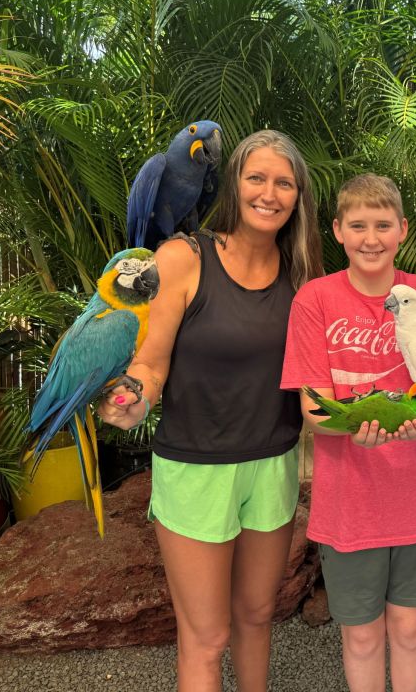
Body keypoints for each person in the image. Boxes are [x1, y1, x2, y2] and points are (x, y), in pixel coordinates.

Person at [98, 130, 323, 692]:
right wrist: (134, 397)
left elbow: (314, 384)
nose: (269, 193)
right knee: (206, 638)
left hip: (272, 465)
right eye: (256, 178)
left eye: (283, 183)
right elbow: (151, 364)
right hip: (195, 470)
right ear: (233, 183)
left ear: (298, 196)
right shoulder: (182, 258)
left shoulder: (305, 277)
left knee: (254, 619)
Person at [281, 173, 416, 692]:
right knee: (361, 637)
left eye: (382, 225)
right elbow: (314, 411)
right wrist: (350, 429)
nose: (371, 237)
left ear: (402, 230)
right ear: (337, 230)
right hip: (349, 503)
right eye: (358, 225)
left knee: (410, 628)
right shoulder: (315, 301)